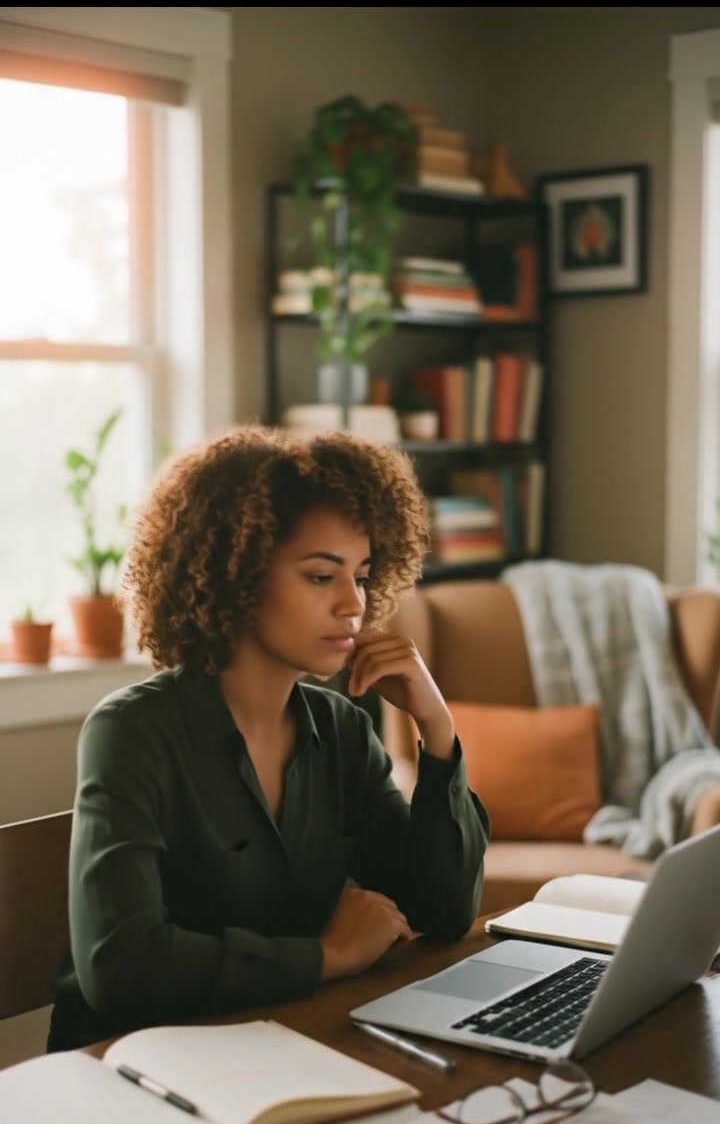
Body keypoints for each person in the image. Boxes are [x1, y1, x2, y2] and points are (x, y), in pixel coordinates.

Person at [48, 425, 490, 1052]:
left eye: (362, 577)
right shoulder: (132, 731)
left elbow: (442, 911)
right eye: (320, 577)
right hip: (133, 1061)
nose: (354, 606)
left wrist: (437, 731)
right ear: (237, 576)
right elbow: (120, 967)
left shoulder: (341, 729)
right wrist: (327, 956)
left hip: (279, 1039)